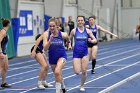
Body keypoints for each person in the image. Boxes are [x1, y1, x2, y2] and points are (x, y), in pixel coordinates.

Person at [31, 18, 69, 93]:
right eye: (50, 26)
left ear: (57, 26)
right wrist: (50, 40)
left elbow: (68, 38)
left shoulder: (62, 34)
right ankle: (63, 87)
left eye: (53, 26)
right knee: (58, 75)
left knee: (57, 71)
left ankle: (57, 91)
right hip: (52, 58)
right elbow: (45, 48)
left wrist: (69, 43)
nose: (51, 28)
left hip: (62, 55)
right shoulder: (46, 34)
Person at [69, 16, 97, 91]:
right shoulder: (74, 31)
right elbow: (69, 39)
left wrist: (91, 41)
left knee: (84, 71)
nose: (80, 22)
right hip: (76, 53)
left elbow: (95, 39)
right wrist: (69, 45)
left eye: (82, 20)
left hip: (85, 53)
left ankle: (82, 85)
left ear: (84, 22)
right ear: (77, 22)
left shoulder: (88, 31)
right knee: (77, 72)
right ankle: (75, 66)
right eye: (79, 20)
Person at [0, 18, 12, 89]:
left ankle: (3, 83)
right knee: (0, 68)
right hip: (1, 52)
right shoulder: (3, 32)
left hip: (4, 52)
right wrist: (0, 52)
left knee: (5, 67)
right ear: (8, 24)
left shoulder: (5, 31)